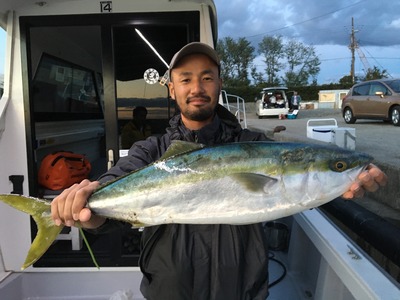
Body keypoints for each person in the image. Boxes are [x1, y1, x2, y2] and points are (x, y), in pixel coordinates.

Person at [51, 42, 388, 300]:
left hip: (242, 291)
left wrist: (347, 178)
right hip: (169, 293)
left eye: (207, 78)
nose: (197, 87)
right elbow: (104, 207)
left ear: (218, 84)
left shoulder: (256, 143)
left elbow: (305, 190)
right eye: (185, 79)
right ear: (172, 88)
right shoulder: (150, 151)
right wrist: (85, 209)